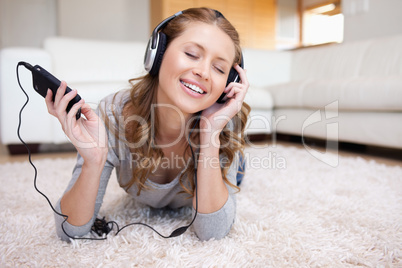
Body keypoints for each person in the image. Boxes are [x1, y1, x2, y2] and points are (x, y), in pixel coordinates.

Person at [46, 7, 250, 242]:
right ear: (158, 54)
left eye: (219, 69)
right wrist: (94, 162)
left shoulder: (224, 122)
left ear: (228, 83)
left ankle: (239, 164)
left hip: (220, 149)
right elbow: (69, 231)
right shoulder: (113, 114)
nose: (203, 72)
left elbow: (212, 232)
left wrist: (211, 135)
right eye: (192, 54)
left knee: (239, 170)